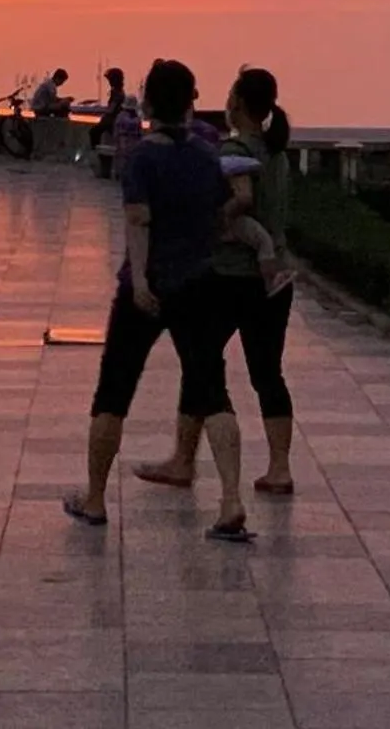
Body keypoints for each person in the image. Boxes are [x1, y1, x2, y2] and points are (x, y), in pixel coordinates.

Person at [64, 59, 246, 540]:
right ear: (192, 100)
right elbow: (228, 209)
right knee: (212, 391)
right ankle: (230, 501)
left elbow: (139, 222)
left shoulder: (142, 158)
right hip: (198, 283)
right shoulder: (209, 156)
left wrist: (142, 282)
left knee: (114, 392)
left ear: (146, 102)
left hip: (144, 286)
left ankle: (96, 499)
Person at [136, 67, 298, 499]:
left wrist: (206, 223)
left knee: (201, 365)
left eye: (230, 93)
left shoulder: (234, 149)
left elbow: (239, 199)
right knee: (268, 373)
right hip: (276, 278)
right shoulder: (277, 152)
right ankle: (279, 468)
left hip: (229, 276)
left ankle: (183, 461)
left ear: (239, 103)